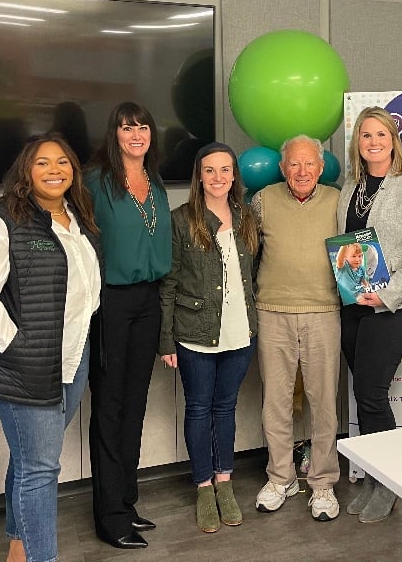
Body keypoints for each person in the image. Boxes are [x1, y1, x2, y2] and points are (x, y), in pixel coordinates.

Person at [0, 133, 101, 562]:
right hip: (25, 362)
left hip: (73, 356)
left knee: (31, 458)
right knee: (41, 468)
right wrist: (16, 344)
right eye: (42, 163)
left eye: (62, 162)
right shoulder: (1, 223)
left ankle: (19, 545)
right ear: (25, 172)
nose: (54, 170)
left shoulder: (78, 217)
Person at [337, 107, 402, 524]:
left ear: (393, 140)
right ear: (357, 143)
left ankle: (389, 485)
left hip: (393, 307)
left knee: (374, 395)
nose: (373, 142)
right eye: (365, 135)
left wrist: (386, 296)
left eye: (381, 134)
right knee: (365, 394)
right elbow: (345, 245)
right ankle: (378, 476)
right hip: (353, 305)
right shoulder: (350, 187)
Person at [159, 142, 259, 533]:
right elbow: (167, 284)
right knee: (199, 408)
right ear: (199, 177)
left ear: (234, 176)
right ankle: (203, 487)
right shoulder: (182, 219)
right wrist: (166, 340)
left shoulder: (247, 217)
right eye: (210, 170)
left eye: (225, 170)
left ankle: (225, 482)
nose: (218, 177)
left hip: (240, 330)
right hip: (194, 333)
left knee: (226, 408)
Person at [84, 102, 171, 549]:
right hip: (110, 304)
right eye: (126, 127)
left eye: (142, 126)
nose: (135, 133)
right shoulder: (96, 181)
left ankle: (127, 501)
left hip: (148, 301)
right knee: (110, 408)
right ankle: (109, 516)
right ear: (113, 134)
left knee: (134, 405)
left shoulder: (154, 183)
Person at [252, 135, 342, 522]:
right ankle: (281, 478)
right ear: (282, 168)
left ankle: (322, 484)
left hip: (323, 311)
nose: (301, 171)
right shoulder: (263, 200)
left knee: (324, 402)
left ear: (321, 168)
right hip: (272, 310)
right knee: (275, 400)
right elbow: (246, 252)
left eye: (309, 164)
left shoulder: (338, 201)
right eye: (294, 164)